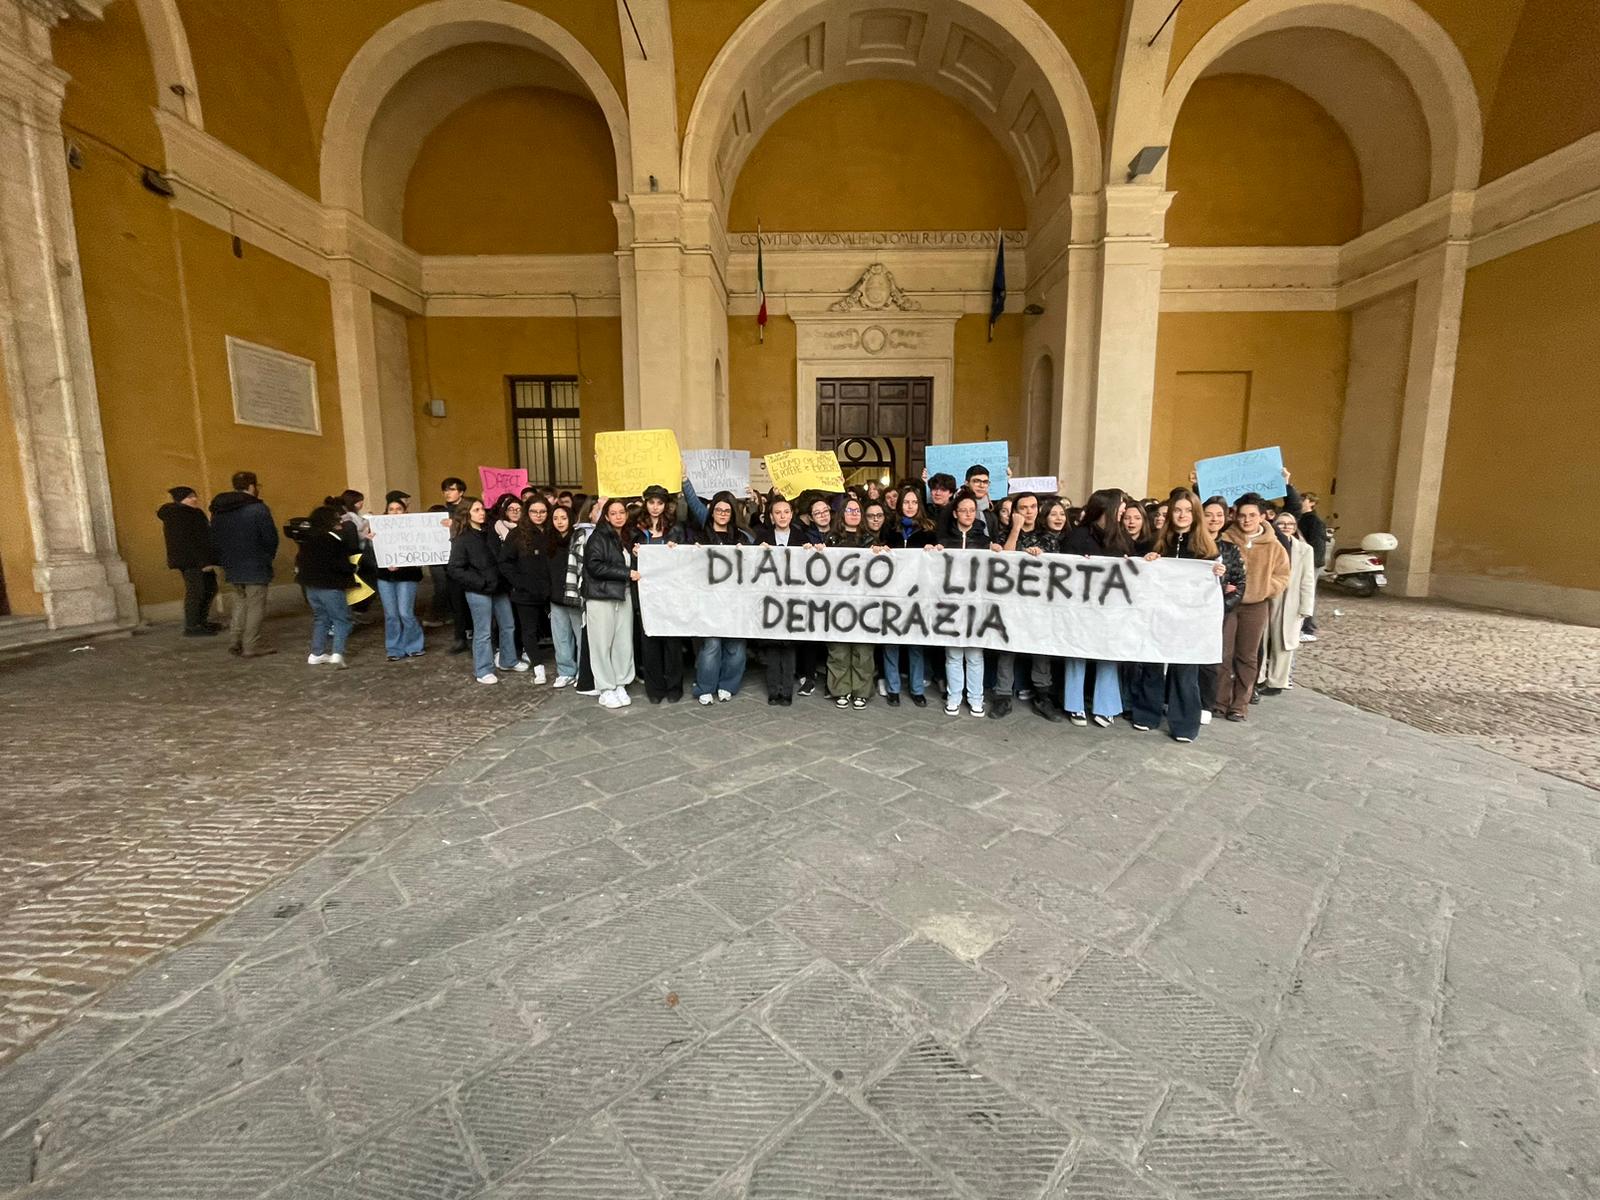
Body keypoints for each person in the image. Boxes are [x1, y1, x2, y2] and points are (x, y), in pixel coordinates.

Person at [1128, 489, 1227, 742]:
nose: (1182, 515)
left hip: (1190, 619)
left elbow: (1215, 584)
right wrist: (1148, 561)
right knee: (1152, 662)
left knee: (1185, 670)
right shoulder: (1158, 542)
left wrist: (1218, 572)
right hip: (1159, 616)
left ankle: (1184, 725)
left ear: (1195, 514)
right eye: (1177, 510)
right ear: (1171, 513)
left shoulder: (1207, 547)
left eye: (1187, 510)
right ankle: (1146, 714)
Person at [1059, 488, 1135, 727]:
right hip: (1080, 608)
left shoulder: (1122, 537)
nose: (1124, 509)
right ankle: (1075, 704)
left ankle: (1106, 705)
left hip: (1112, 609)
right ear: (1106, 508)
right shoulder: (1077, 537)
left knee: (1108, 654)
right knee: (1077, 653)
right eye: (1121, 505)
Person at [1216, 492, 1290, 721]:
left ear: (1261, 517)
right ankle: (1220, 700)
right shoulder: (1226, 539)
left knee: (1247, 656)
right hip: (1228, 604)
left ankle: (1240, 703)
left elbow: (1283, 575)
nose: (1246, 520)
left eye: (1251, 515)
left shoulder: (1274, 545)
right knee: (1223, 652)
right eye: (1242, 515)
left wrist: (1266, 589)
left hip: (1256, 605)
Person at [678, 488, 754, 703]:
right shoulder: (699, 536)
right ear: (711, 511)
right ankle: (705, 688)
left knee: (736, 645)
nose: (722, 513)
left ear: (732, 514)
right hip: (708, 601)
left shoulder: (742, 537)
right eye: (718, 509)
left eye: (726, 511)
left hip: (735, 601)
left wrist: (749, 552)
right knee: (711, 645)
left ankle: (728, 685)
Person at [992, 491, 1061, 720]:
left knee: (1040, 648)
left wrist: (1040, 556)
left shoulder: (1048, 536)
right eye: (1023, 508)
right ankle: (1002, 697)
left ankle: (1043, 696)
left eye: (1032, 507)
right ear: (1015, 512)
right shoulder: (1004, 533)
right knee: (1006, 648)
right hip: (1011, 603)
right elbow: (1006, 556)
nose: (1029, 511)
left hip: (1039, 604)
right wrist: (1016, 528)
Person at [447, 496, 523, 685]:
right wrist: (480, 582)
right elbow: (455, 568)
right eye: (476, 510)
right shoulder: (462, 539)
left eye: (482, 509)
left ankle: (508, 660)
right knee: (483, 630)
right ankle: (483, 669)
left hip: (498, 587)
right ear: (467, 514)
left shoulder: (490, 532)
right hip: (479, 590)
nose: (481, 513)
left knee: (508, 624)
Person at [933, 489, 991, 716]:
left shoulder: (984, 541)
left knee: (975, 654)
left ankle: (976, 697)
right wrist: (932, 553)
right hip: (952, 604)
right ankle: (954, 695)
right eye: (963, 510)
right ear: (955, 514)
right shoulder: (945, 541)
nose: (968, 514)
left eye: (971, 510)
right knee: (954, 654)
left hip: (976, 605)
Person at [209, 471, 279, 657]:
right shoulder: (258, 508)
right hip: (254, 562)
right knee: (255, 605)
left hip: (231, 563)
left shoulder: (220, 509)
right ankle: (251, 645)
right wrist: (267, 556)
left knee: (240, 601)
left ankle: (235, 640)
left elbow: (214, 537)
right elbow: (270, 538)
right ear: (252, 486)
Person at [879, 487, 937, 707]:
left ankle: (916, 689)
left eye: (914, 502)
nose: (910, 506)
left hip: (918, 594)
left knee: (915, 643)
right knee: (891, 641)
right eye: (906, 502)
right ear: (900, 505)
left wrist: (935, 550)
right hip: (892, 592)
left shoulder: (928, 529)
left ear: (919, 505)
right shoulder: (890, 529)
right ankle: (893, 688)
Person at [824, 496, 882, 710]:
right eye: (849, 510)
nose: (854, 514)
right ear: (842, 514)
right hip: (838, 603)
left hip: (863, 603)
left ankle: (861, 691)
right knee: (838, 649)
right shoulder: (831, 539)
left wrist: (880, 553)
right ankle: (840, 689)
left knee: (863, 650)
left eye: (857, 510)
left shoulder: (871, 539)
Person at [583, 497, 637, 709]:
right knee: (601, 642)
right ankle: (605, 687)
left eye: (621, 512)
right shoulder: (598, 537)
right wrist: (626, 572)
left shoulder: (625, 536)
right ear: (606, 516)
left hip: (622, 595)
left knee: (623, 641)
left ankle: (620, 682)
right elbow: (594, 566)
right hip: (601, 596)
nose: (618, 516)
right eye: (613, 513)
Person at [632, 484, 684, 703]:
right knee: (650, 641)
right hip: (646, 595)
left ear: (666, 505)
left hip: (670, 594)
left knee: (672, 643)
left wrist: (677, 549)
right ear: (645, 503)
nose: (655, 507)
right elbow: (624, 556)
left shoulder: (676, 529)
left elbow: (686, 561)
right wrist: (633, 553)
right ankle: (655, 689)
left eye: (659, 503)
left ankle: (674, 686)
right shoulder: (635, 529)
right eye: (651, 502)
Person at [1199, 496, 1245, 726]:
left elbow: (1238, 584)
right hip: (1189, 612)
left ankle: (1206, 703)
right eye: (1209, 514)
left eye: (1219, 515)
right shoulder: (1191, 546)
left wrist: (1220, 606)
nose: (1214, 519)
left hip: (1218, 614)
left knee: (1213, 658)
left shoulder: (1230, 549)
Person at [755, 496, 803, 705]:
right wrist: (758, 552)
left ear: (791, 514)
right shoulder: (762, 539)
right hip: (771, 601)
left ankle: (787, 692)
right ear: (771, 517)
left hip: (793, 600)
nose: (782, 516)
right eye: (778, 512)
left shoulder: (802, 538)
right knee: (773, 647)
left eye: (786, 512)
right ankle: (774, 691)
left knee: (789, 647)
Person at [295, 504, 357, 670]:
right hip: (330, 586)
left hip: (311, 587)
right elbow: (341, 565)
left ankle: (316, 653)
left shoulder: (307, 540)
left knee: (321, 618)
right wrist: (353, 569)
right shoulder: (335, 541)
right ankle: (337, 653)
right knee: (341, 620)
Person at [1261, 510, 1316, 694]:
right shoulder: (1268, 545)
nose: (1285, 527)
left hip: (1290, 601)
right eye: (1281, 523)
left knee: (1283, 643)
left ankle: (1277, 682)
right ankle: (1259, 678)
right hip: (1268, 596)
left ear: (1295, 528)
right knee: (1260, 640)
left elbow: (1307, 580)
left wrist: (1306, 608)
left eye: (1289, 524)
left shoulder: (1304, 549)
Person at [498, 504, 550, 684]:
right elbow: (505, 562)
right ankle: (538, 667)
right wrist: (520, 583)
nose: (539, 515)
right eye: (534, 511)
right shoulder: (518, 534)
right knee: (529, 630)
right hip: (526, 592)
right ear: (527, 513)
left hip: (550, 591)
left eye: (543, 511)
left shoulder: (551, 532)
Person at [156, 486, 218, 636]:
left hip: (197, 558)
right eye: (190, 497)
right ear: (180, 499)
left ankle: (201, 621)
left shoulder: (193, 513)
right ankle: (192, 626)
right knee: (196, 591)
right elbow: (189, 541)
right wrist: (203, 561)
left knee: (209, 587)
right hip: (192, 560)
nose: (194, 499)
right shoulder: (178, 515)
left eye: (194, 496)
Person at [373, 494, 425, 661]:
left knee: (405, 612)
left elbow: (424, 548)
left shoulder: (415, 529)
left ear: (405, 511)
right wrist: (371, 544)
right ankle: (394, 648)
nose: (395, 512)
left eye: (399, 509)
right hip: (384, 577)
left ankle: (414, 645)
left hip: (407, 576)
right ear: (386, 512)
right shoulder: (376, 530)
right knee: (391, 614)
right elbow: (368, 556)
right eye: (391, 509)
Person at [427, 477, 468, 647]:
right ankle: (460, 637)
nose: (447, 493)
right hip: (448, 560)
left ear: (461, 492)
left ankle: (470, 634)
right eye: (445, 490)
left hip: (466, 560)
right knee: (456, 600)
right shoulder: (441, 511)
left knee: (468, 600)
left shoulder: (468, 509)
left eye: (451, 489)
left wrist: (456, 523)